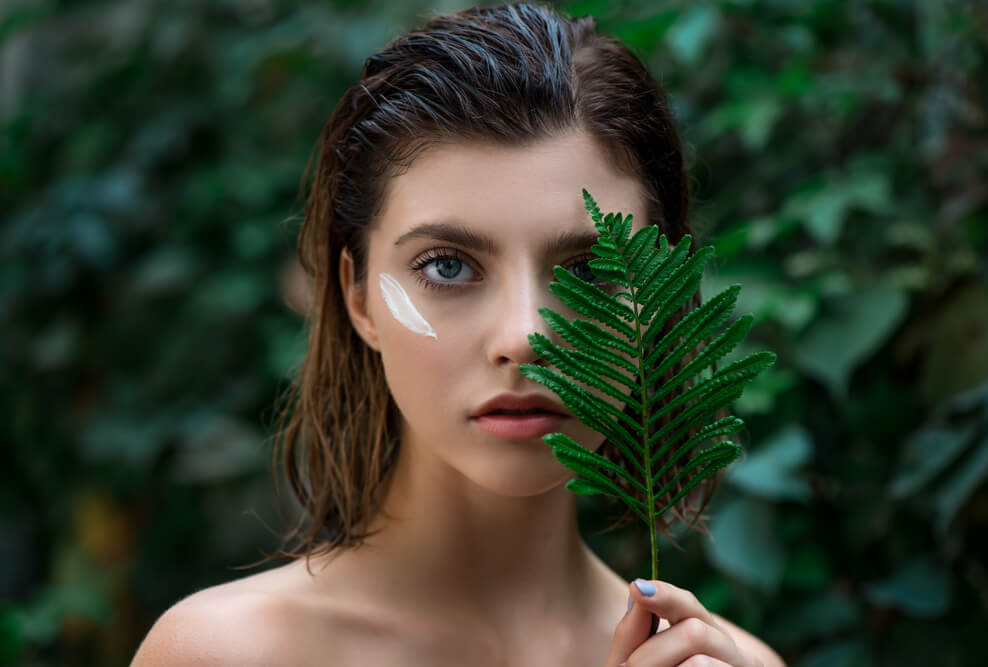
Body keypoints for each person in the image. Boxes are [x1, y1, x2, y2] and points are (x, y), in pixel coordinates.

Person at [132, 4, 784, 666]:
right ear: (358, 296)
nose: (526, 336)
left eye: (591, 268)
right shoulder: (228, 653)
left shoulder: (728, 662)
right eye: (448, 266)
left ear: (660, 290)